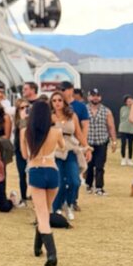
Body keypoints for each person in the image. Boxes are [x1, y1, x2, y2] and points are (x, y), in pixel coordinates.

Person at [20, 99, 65, 266]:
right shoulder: (56, 132)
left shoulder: (25, 132)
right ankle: (37, 247)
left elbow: (25, 155)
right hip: (52, 172)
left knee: (42, 214)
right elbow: (63, 147)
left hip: (36, 171)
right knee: (45, 210)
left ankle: (52, 254)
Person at [50, 91, 87, 222]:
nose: (57, 103)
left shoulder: (72, 116)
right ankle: (56, 207)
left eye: (59, 100)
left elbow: (79, 133)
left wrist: (86, 147)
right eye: (54, 101)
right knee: (59, 182)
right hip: (55, 151)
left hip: (71, 149)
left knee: (74, 181)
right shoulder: (50, 117)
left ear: (64, 102)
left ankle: (69, 203)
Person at [60, 82, 90, 211]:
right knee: (61, 176)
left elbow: (84, 126)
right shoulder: (54, 108)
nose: (62, 92)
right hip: (57, 146)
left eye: (64, 89)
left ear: (71, 90)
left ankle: (73, 200)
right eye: (60, 90)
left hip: (73, 144)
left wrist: (84, 145)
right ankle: (60, 201)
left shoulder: (80, 107)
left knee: (75, 175)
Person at [84, 88, 117, 196]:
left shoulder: (106, 111)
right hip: (88, 142)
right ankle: (88, 184)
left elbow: (111, 126)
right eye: (93, 95)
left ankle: (99, 187)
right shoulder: (84, 110)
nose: (95, 98)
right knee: (89, 165)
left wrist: (114, 141)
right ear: (88, 97)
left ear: (100, 97)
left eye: (97, 96)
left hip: (101, 141)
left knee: (100, 166)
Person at [117, 94, 133, 166]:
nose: (130, 102)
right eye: (128, 101)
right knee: (123, 144)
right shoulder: (123, 108)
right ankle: (123, 159)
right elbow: (121, 118)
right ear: (126, 102)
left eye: (131, 101)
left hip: (132, 129)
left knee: (131, 145)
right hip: (123, 128)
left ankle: (130, 159)